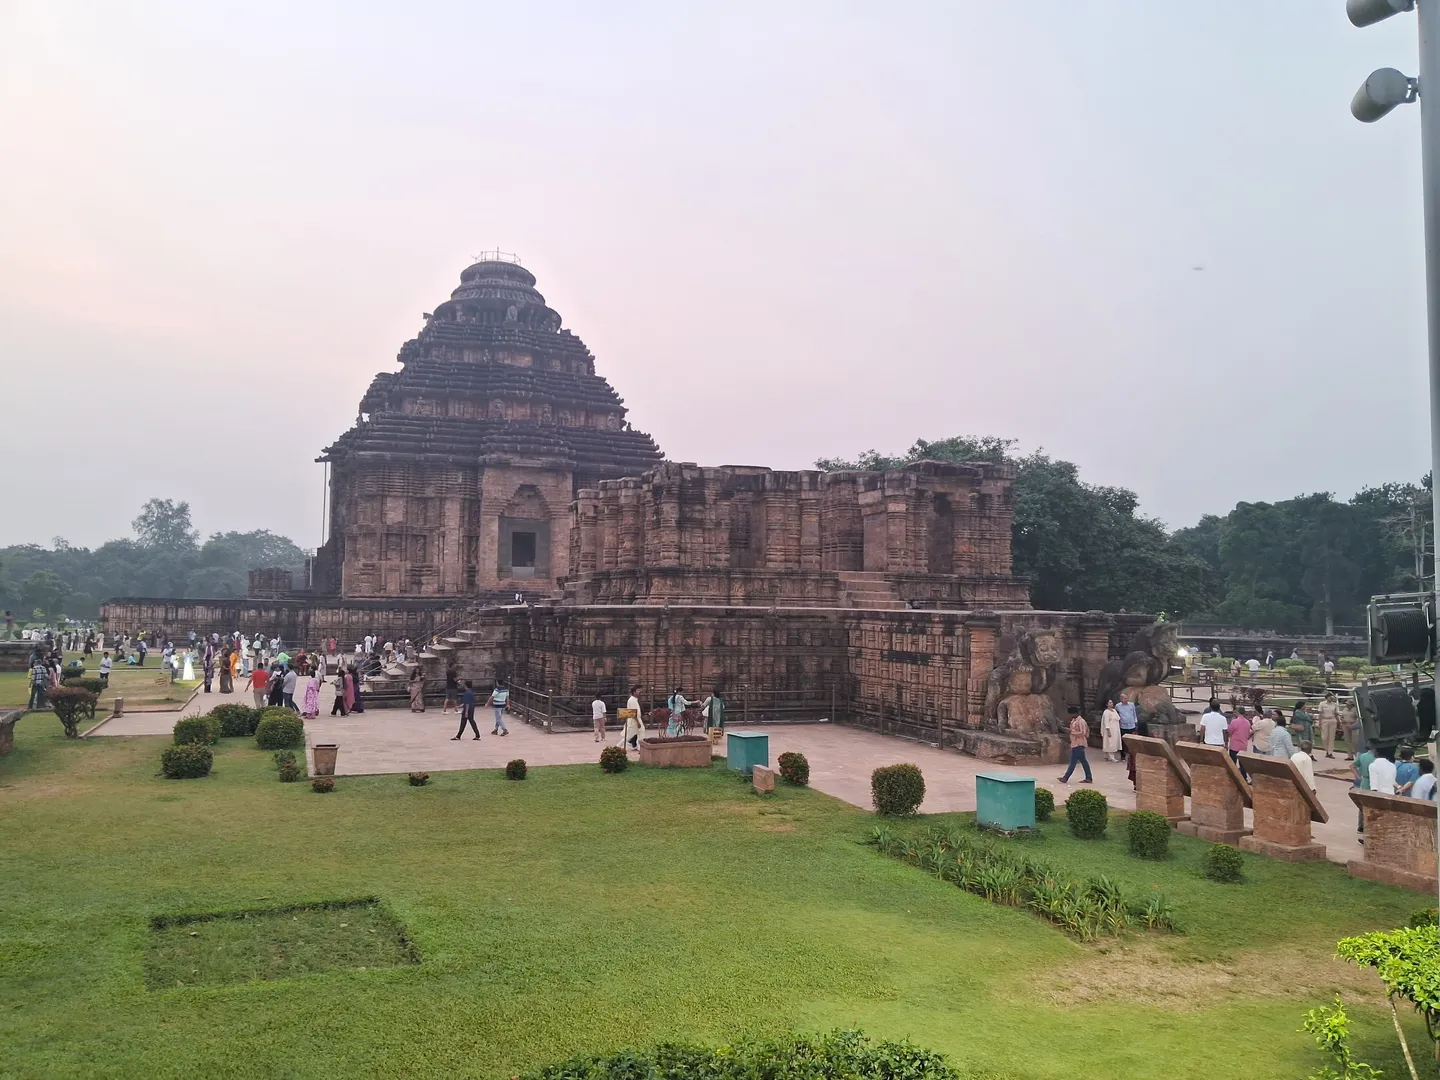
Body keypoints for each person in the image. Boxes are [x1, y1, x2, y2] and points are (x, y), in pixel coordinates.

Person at [1056, 705, 1093, 784]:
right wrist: (1067, 729)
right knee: (1083, 761)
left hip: (1079, 743)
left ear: (1075, 713)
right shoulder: (1074, 720)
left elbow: (1083, 732)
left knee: (1073, 762)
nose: (1070, 715)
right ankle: (1088, 777)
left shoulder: (1081, 721)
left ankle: (1066, 777)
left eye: (1071, 714)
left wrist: (1072, 732)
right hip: (1075, 743)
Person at [1227, 707, 1252, 779]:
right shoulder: (1247, 722)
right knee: (1242, 764)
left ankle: (1233, 777)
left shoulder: (1234, 721)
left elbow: (1230, 731)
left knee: (1233, 763)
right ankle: (1244, 777)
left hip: (1234, 745)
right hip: (1243, 745)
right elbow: (1248, 733)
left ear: (1238, 712)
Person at [1317, 693, 1340, 758]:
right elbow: (1320, 713)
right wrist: (1319, 723)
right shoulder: (1322, 704)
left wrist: (1338, 722)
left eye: (1332, 697)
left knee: (1331, 737)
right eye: (1330, 697)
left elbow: (1336, 714)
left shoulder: (1334, 704)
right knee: (1324, 737)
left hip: (1332, 720)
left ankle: (1330, 752)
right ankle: (1326, 750)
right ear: (1327, 697)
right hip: (1324, 720)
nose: (1331, 698)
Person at [623, 685, 645, 750]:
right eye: (638, 690)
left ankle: (639, 747)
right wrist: (637, 722)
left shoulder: (635, 700)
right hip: (634, 720)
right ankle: (639, 747)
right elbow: (633, 712)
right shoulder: (632, 700)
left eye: (640, 690)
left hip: (636, 719)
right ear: (634, 692)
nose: (640, 691)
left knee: (638, 733)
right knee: (632, 735)